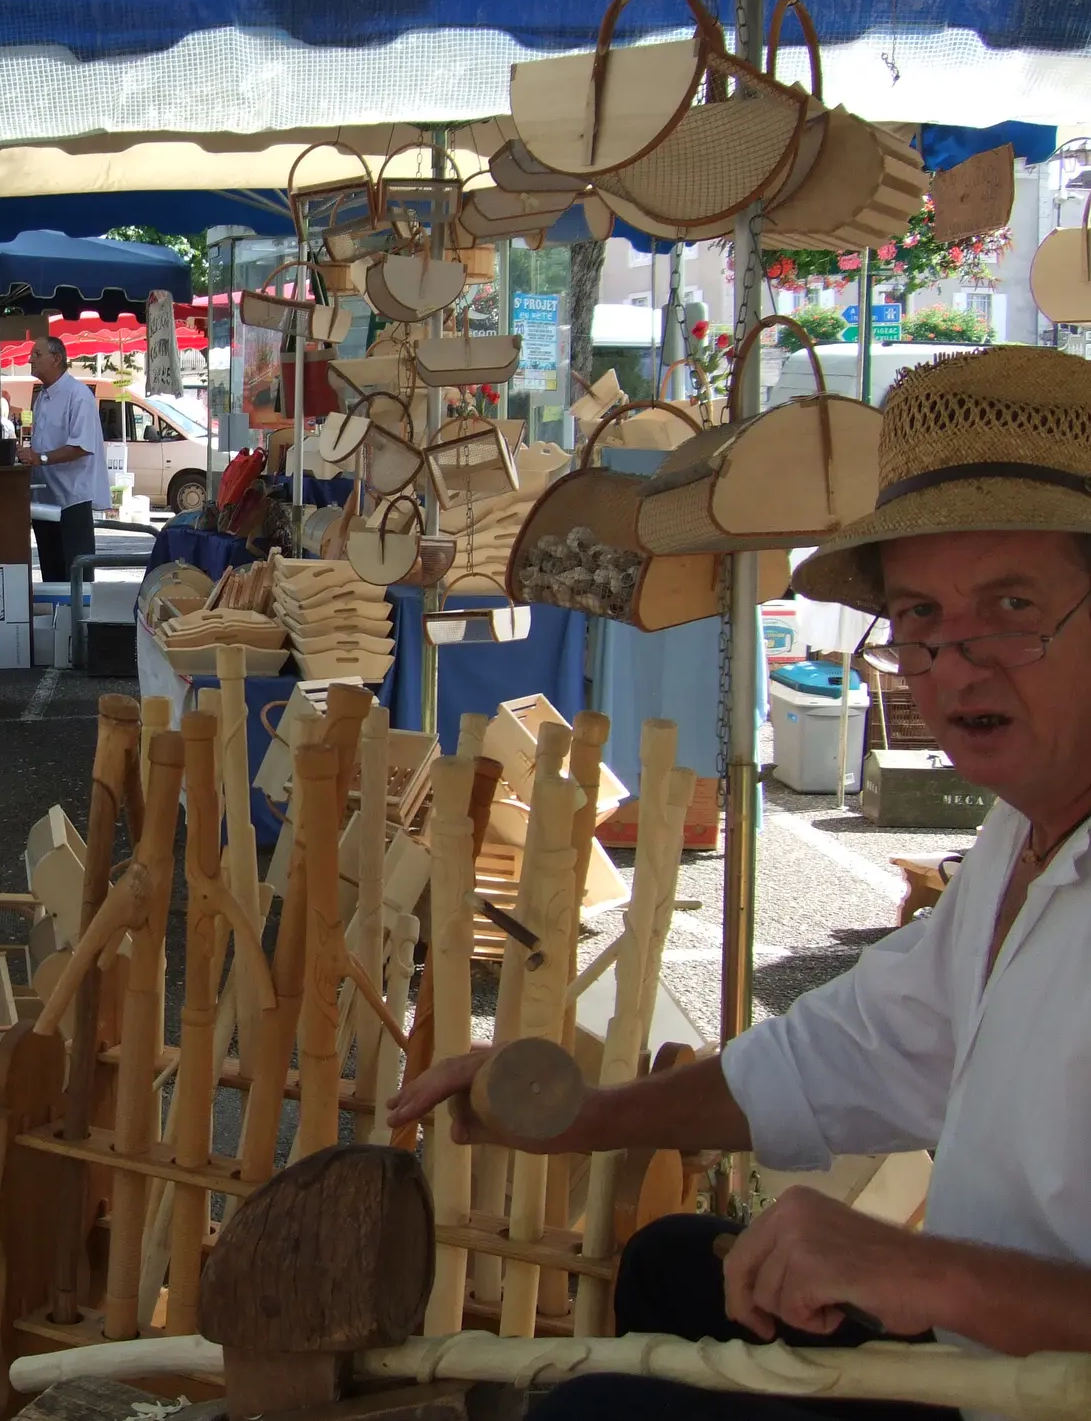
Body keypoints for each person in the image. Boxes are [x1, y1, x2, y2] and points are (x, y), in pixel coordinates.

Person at [389, 344, 1091, 1421]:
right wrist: (583, 1114)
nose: (951, 659)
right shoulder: (1021, 841)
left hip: (1035, 1382)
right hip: (986, 1358)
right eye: (913, 615)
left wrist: (935, 1273)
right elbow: (841, 1052)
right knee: (675, 1265)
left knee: (597, 1412)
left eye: (1008, 602)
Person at [18, 336, 110, 582]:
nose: (30, 360)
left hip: (72, 499)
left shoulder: (78, 395)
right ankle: (58, 620)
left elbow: (81, 446)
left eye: (37, 355)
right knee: (52, 573)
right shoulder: (42, 397)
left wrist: (41, 457)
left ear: (56, 358)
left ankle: (78, 622)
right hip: (44, 499)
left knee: (77, 576)